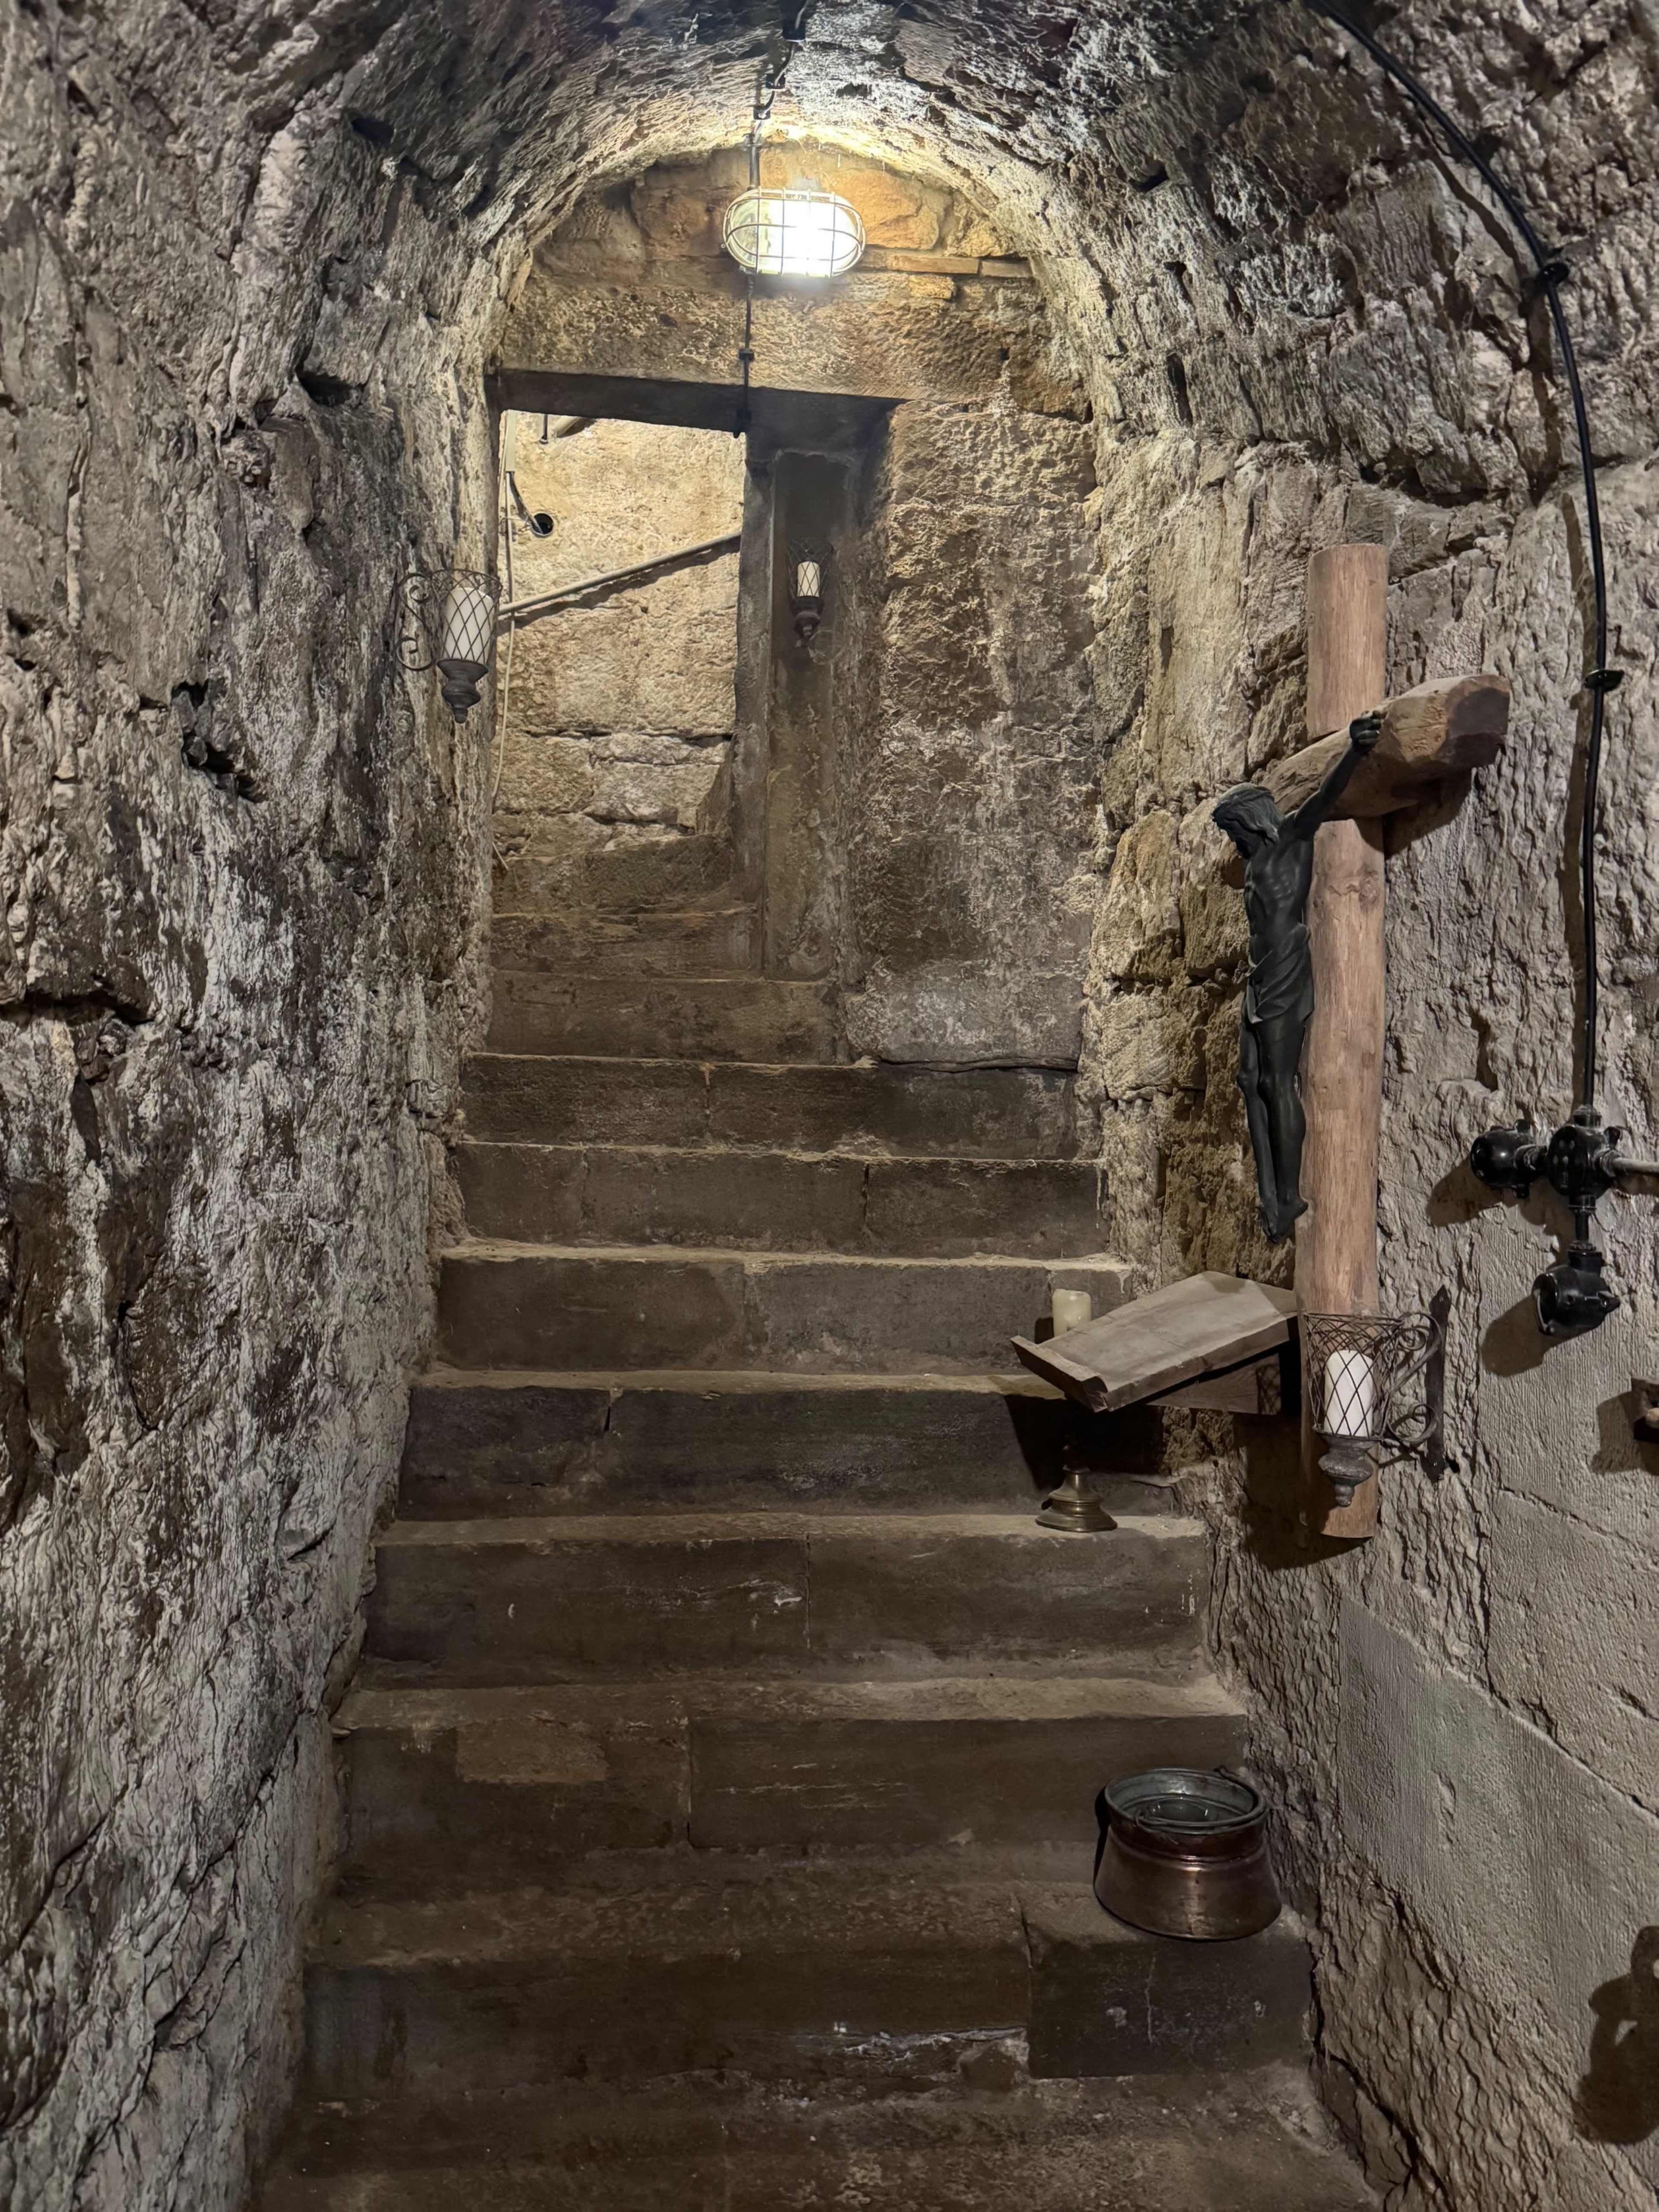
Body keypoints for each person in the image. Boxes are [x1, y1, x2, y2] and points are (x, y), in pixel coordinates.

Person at [1213, 712, 1383, 1241]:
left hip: (1285, 971)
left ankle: (1288, 1195)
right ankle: (1267, 1191)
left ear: (1251, 821)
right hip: (1258, 975)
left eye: (1234, 831)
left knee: (1276, 1081)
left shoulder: (1290, 838)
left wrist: (1355, 750)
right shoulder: (1252, 861)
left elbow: (1323, 799)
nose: (1233, 842)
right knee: (1248, 1080)